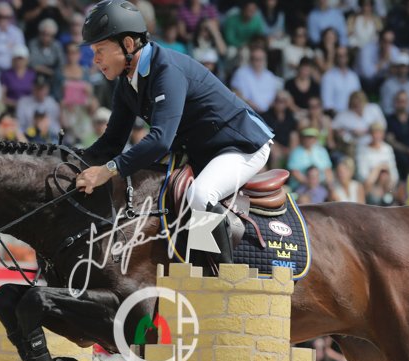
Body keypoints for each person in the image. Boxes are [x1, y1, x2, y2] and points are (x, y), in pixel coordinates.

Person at [76, 0, 273, 266]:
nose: (95, 59)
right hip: (204, 150)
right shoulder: (126, 83)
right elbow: (111, 142)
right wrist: (72, 163)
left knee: (201, 195)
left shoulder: (166, 70)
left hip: (240, 144)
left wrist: (108, 170)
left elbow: (160, 141)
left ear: (128, 45)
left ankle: (225, 275)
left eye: (100, 50)